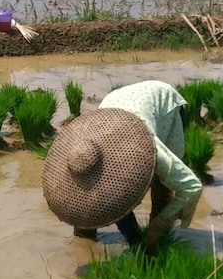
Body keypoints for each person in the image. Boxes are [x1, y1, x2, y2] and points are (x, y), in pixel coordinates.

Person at [42, 80, 203, 256]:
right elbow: (112, 197)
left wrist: (159, 225)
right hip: (116, 103)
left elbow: (192, 187)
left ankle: (154, 245)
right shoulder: (84, 145)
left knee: (161, 189)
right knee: (91, 196)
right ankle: (96, 243)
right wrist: (132, 238)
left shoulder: (149, 146)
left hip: (163, 102)